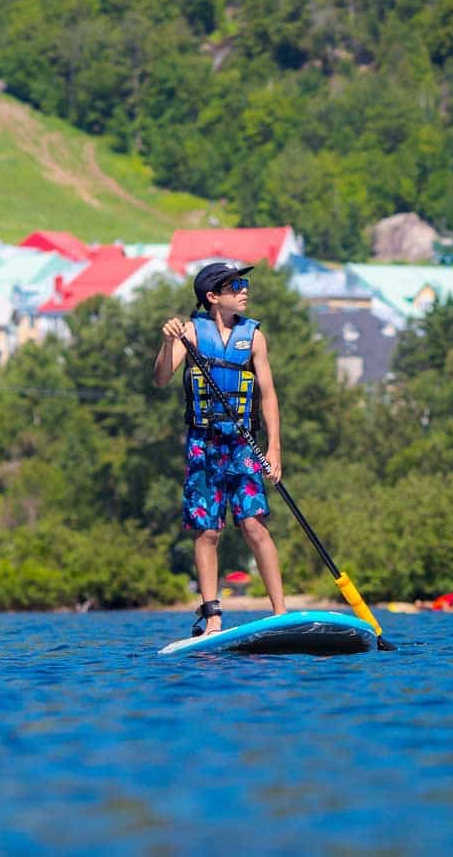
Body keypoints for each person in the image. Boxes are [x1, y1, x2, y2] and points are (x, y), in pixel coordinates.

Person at [154, 261, 288, 637]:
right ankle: (212, 617)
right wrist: (168, 342)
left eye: (243, 283)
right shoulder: (190, 334)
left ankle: (280, 612)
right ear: (213, 297)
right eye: (235, 285)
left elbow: (268, 395)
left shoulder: (254, 337)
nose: (244, 289)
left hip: (244, 444)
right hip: (204, 444)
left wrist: (273, 450)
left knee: (254, 525)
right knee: (207, 530)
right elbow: (161, 378)